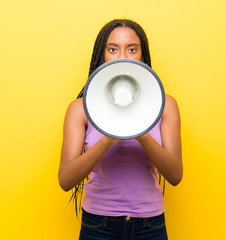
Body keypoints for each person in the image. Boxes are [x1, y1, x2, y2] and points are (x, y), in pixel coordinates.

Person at [58, 19, 182, 240]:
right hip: (98, 226)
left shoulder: (166, 106)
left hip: (150, 226)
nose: (122, 57)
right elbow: (66, 180)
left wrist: (141, 132)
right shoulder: (79, 109)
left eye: (132, 49)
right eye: (113, 49)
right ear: (102, 55)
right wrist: (108, 137)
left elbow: (175, 175)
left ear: (142, 57)